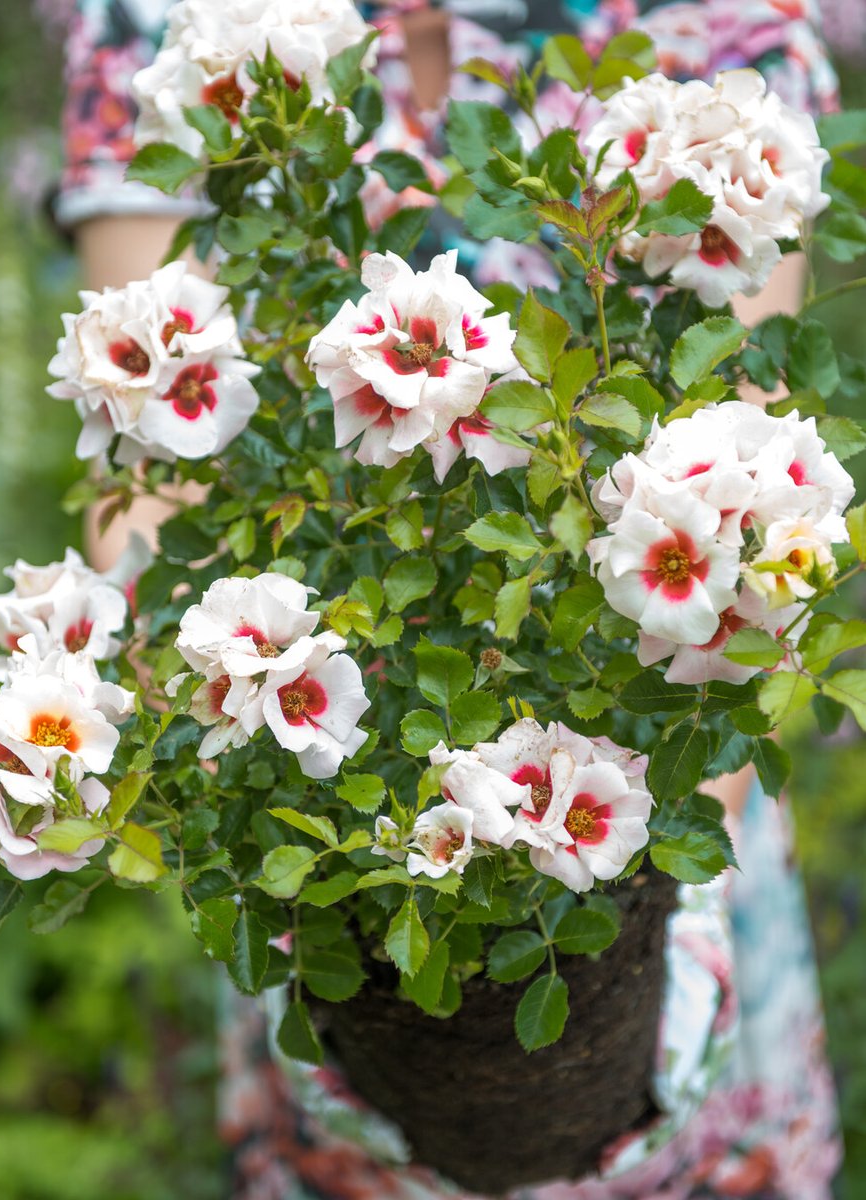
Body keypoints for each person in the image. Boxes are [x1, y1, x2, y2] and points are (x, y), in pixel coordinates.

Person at [47, 2, 843, 1195]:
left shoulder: (713, 25)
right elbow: (152, 477)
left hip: (660, 776)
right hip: (318, 785)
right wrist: (217, 721)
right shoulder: (168, 25)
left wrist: (666, 896)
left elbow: (745, 486)